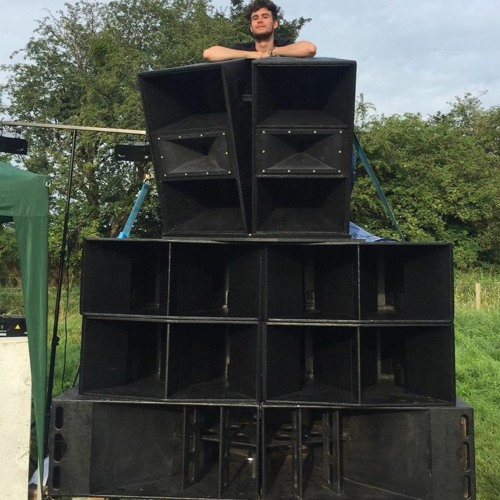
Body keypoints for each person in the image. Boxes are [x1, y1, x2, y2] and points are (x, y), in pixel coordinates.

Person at [203, 0, 316, 62]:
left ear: (275, 24)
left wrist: (271, 53)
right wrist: (253, 55)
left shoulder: (285, 46)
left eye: (265, 17)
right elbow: (208, 54)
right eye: (255, 18)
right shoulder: (241, 49)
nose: (260, 21)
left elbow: (309, 49)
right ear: (251, 27)